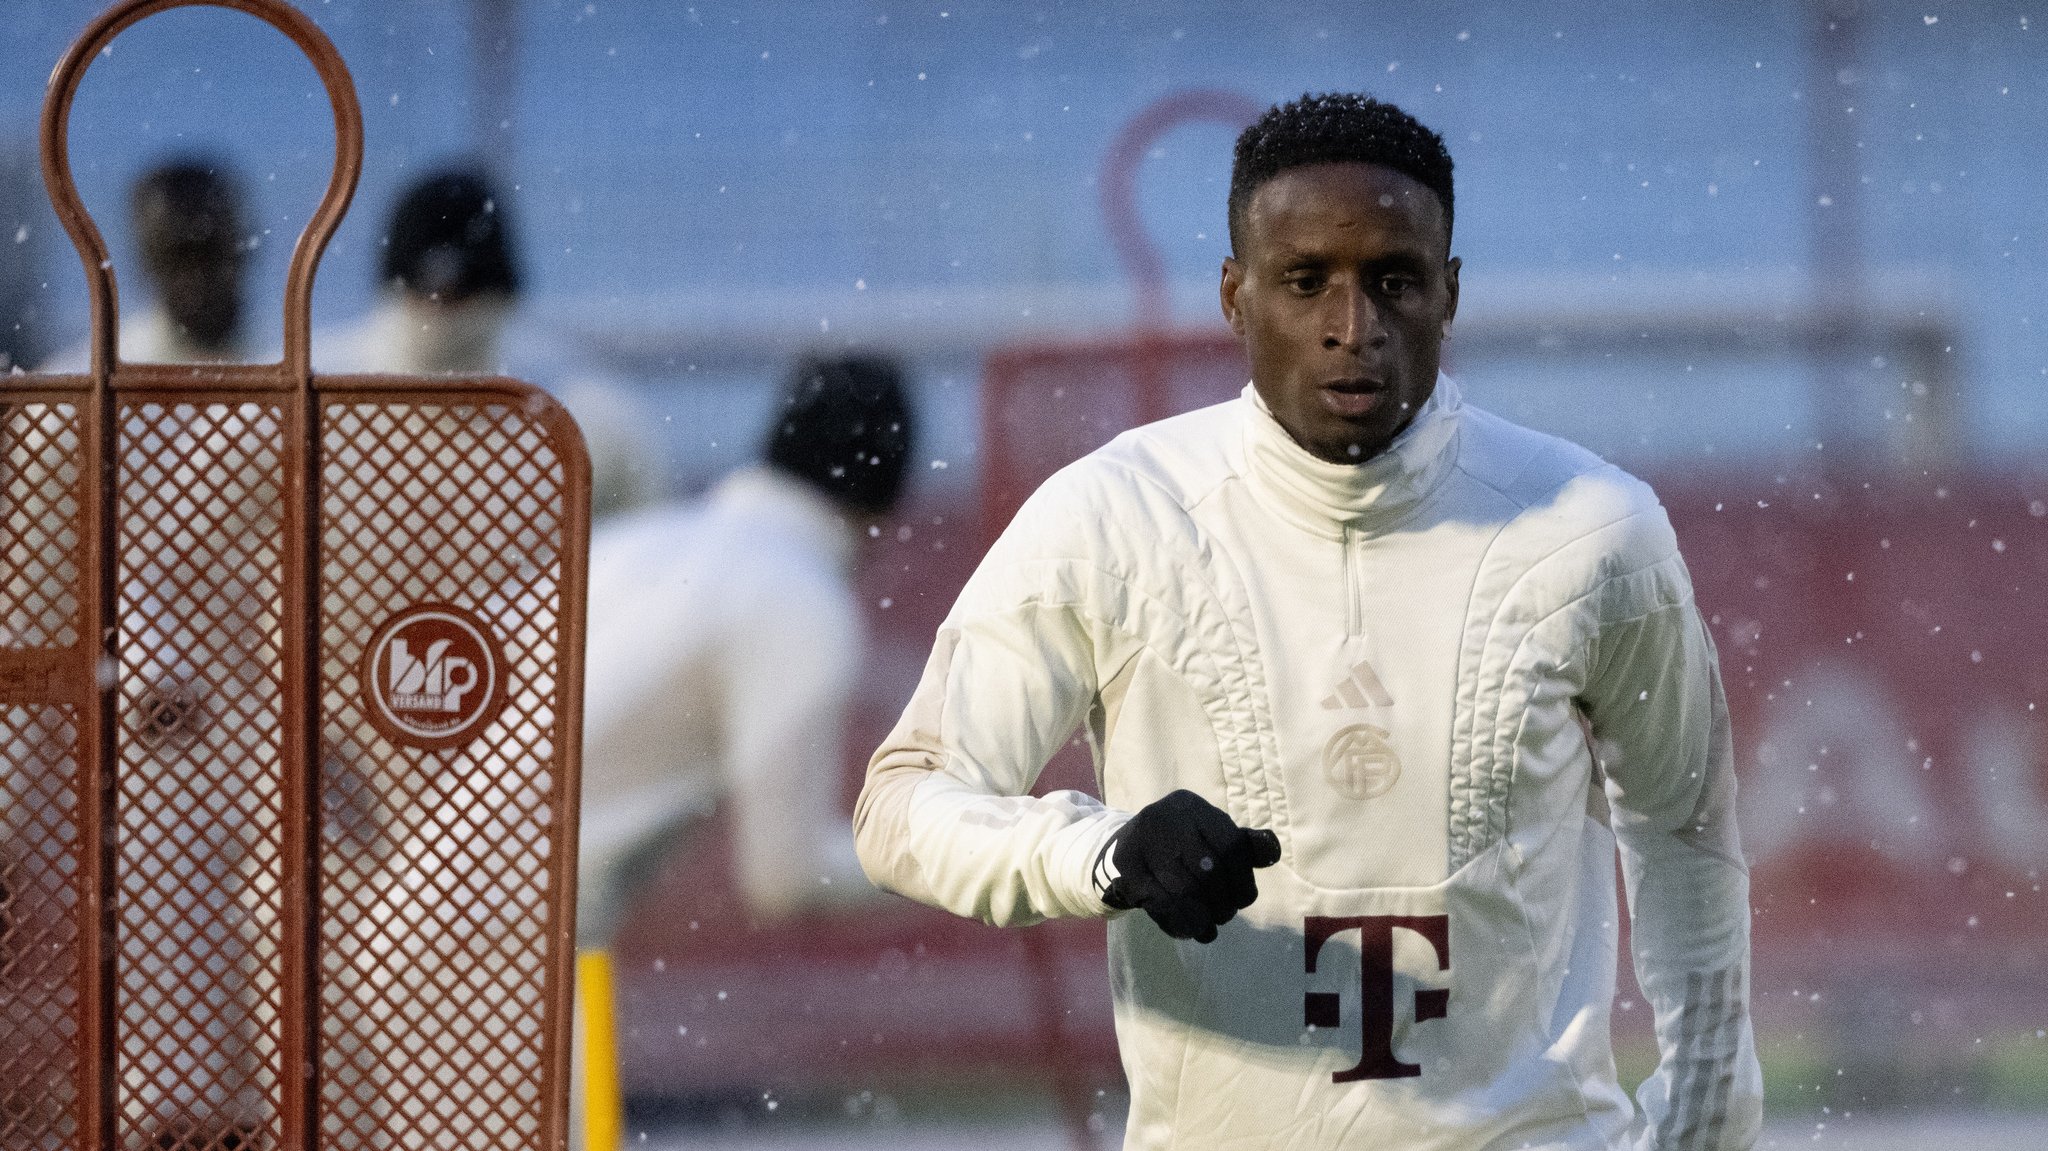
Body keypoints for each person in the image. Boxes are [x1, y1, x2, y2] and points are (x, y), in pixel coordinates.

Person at [854, 92, 1760, 1150]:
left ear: (1448, 293)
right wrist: (1102, 854)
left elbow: (1684, 835)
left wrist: (1703, 1127)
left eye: (1392, 279)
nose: (1351, 326)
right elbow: (900, 805)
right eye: (1303, 282)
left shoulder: (1592, 530)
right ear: (1234, 298)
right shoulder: (1112, 516)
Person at [316, 165, 661, 518]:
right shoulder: (309, 411)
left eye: (461, 291)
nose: (443, 311)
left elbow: (637, 554)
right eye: (429, 290)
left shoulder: (589, 427)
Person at [41, 156, 251, 370]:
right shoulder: (85, 374)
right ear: (148, 265)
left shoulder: (89, 375)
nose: (196, 278)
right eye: (177, 261)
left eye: (210, 255)